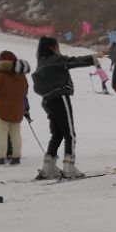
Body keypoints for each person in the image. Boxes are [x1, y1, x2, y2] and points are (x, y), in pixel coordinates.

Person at [31, 37, 96, 179]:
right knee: (69, 133)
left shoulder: (41, 63)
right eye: (57, 46)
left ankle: (48, 168)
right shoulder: (55, 60)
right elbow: (74, 61)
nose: (59, 49)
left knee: (57, 134)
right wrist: (93, 58)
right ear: (52, 47)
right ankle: (69, 167)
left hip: (48, 101)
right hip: (60, 98)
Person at [0, 50, 31, 166]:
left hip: (1, 109)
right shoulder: (22, 75)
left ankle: (1, 157)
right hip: (17, 109)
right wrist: (26, 109)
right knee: (15, 133)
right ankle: (16, 156)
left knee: (1, 133)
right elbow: (25, 92)